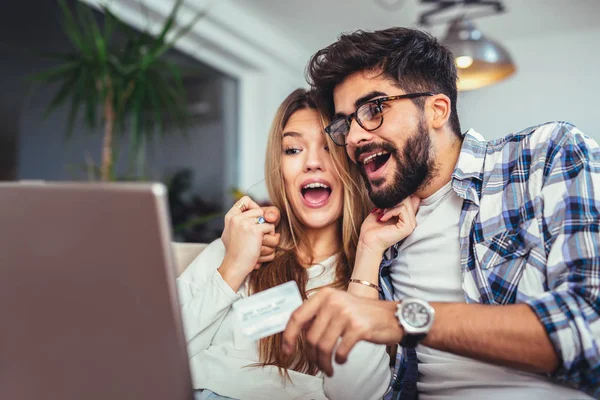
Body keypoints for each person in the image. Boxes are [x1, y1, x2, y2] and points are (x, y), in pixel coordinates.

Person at [282, 28, 600, 400]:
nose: (352, 138)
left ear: (437, 110)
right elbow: (353, 395)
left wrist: (402, 317)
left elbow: (590, 327)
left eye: (374, 109)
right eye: (345, 123)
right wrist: (369, 251)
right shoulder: (379, 231)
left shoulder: (543, 157)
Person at [177, 89, 401, 400]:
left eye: (328, 148)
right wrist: (233, 266)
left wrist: (368, 251)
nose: (312, 163)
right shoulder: (240, 246)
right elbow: (158, 356)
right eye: (293, 149)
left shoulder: (379, 270)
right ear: (279, 167)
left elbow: (357, 394)